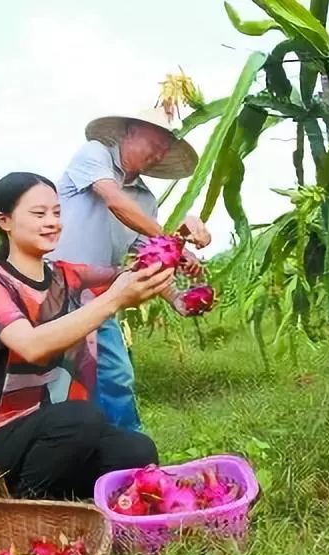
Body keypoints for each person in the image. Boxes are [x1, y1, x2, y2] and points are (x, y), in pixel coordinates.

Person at [0, 172, 177, 500]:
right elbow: (30, 345)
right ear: (4, 220)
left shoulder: (69, 275)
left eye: (57, 213)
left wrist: (180, 240)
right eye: (39, 213)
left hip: (64, 432)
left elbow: (139, 272)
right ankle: (26, 503)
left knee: (136, 450)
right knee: (81, 417)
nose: (52, 222)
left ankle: (57, 491)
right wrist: (113, 300)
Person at [49, 106, 211, 432]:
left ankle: (126, 457)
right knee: (54, 379)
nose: (157, 155)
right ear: (129, 133)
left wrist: (177, 292)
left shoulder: (146, 201)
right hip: (53, 286)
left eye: (163, 151)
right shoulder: (94, 155)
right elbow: (113, 200)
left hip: (100, 296)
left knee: (115, 376)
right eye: (154, 144)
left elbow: (149, 257)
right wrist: (174, 239)